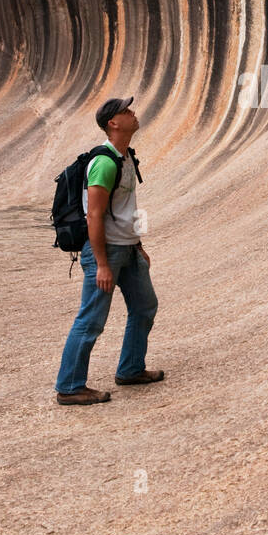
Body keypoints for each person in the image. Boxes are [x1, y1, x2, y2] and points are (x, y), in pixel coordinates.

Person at [55, 96, 160, 405]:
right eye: (126, 111)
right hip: (106, 252)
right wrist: (101, 263)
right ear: (113, 123)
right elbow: (95, 215)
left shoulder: (127, 157)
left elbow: (126, 208)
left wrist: (138, 246)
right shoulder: (103, 162)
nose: (133, 113)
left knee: (144, 307)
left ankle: (130, 369)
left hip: (127, 249)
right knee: (91, 320)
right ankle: (70, 386)